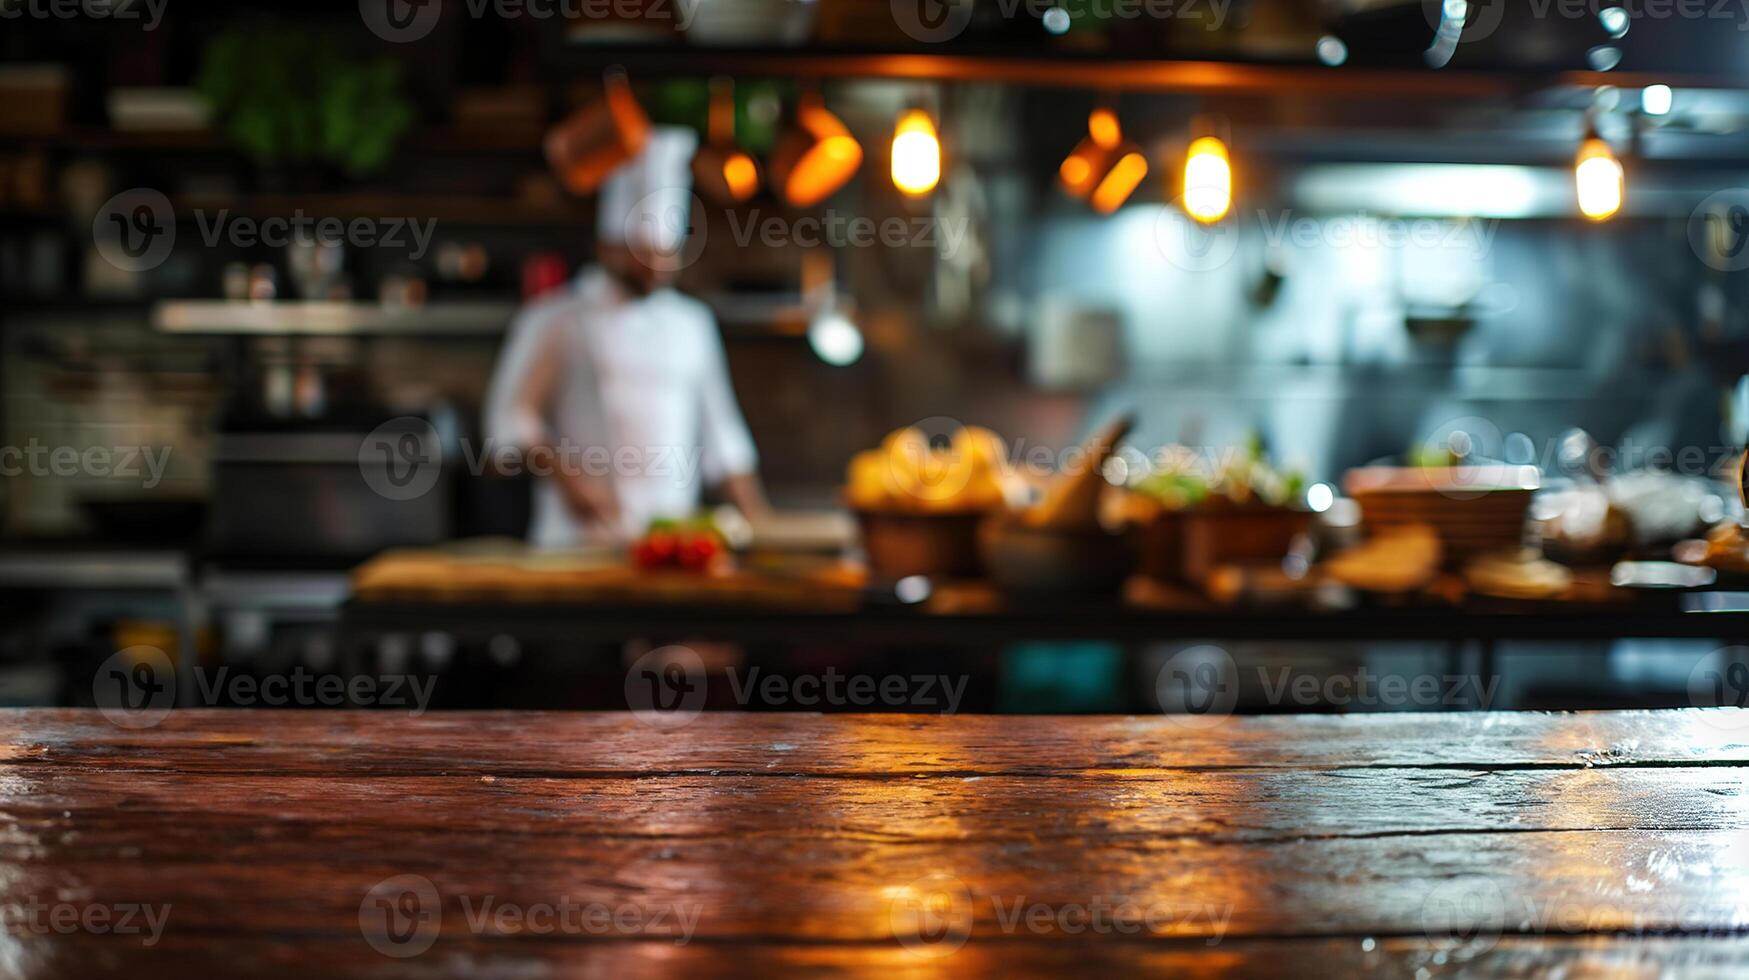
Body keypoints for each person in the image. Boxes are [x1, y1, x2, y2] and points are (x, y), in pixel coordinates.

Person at [486, 126, 767, 548]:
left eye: (665, 254)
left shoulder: (692, 324)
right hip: (575, 543)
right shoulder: (557, 320)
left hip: (669, 547)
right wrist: (566, 476)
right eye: (643, 255)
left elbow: (724, 439)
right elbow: (508, 423)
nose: (656, 268)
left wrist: (762, 529)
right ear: (607, 247)